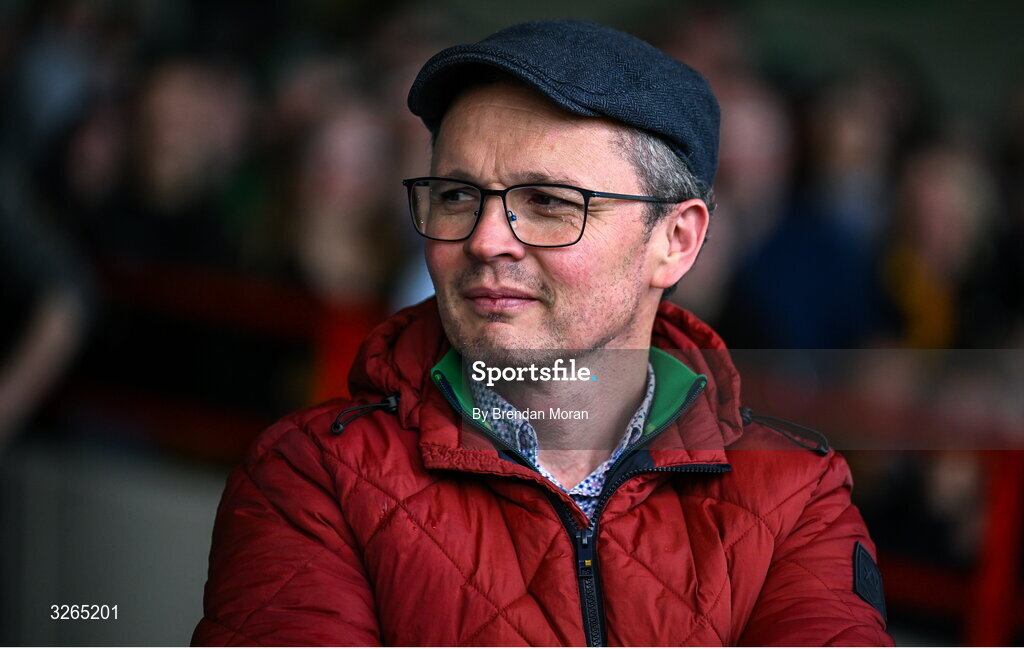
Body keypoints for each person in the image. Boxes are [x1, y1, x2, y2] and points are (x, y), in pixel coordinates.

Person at [193, 20, 892, 646]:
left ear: (675, 241)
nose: (486, 238)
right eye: (458, 195)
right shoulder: (314, 477)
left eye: (550, 203)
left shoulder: (799, 497)